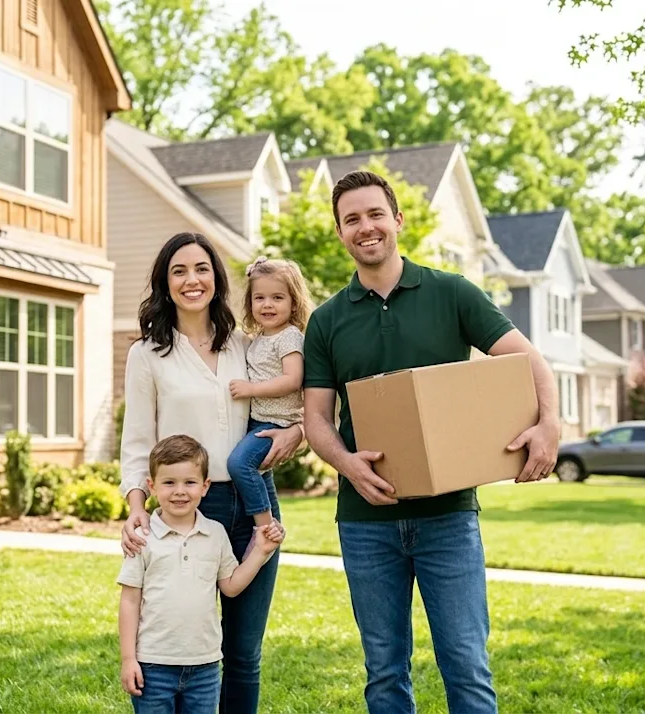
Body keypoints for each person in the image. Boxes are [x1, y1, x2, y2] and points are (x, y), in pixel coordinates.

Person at [302, 170, 561, 713]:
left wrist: (549, 424)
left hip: (449, 519)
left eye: (375, 214)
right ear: (340, 232)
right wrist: (347, 464)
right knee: (384, 671)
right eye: (352, 219)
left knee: (466, 663)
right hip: (365, 521)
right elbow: (317, 420)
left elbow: (528, 359)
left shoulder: (452, 293)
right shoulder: (326, 321)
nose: (365, 227)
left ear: (397, 219)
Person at [118, 232, 305, 713]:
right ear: (165, 281)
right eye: (178, 271)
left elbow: (288, 398)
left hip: (255, 502)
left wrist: (299, 431)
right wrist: (137, 506)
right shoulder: (148, 353)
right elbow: (138, 439)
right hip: (187, 511)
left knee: (244, 653)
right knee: (181, 647)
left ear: (217, 278)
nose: (191, 280)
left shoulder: (247, 344)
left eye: (201, 268)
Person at [118, 434, 285, 714]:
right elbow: (130, 601)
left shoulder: (216, 534)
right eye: (169, 482)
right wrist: (128, 659)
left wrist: (261, 551)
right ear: (152, 486)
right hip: (153, 666)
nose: (179, 491)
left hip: (205, 668)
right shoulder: (143, 538)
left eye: (190, 482)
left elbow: (230, 587)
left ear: (205, 487)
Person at [226, 256, 313, 541]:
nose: (267, 305)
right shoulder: (259, 338)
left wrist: (250, 389)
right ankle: (270, 520)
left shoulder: (289, 337)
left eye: (277, 297)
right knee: (258, 472)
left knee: (240, 464)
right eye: (259, 297)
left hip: (275, 422)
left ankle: (265, 524)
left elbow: (292, 380)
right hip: (256, 420)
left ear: (294, 303)